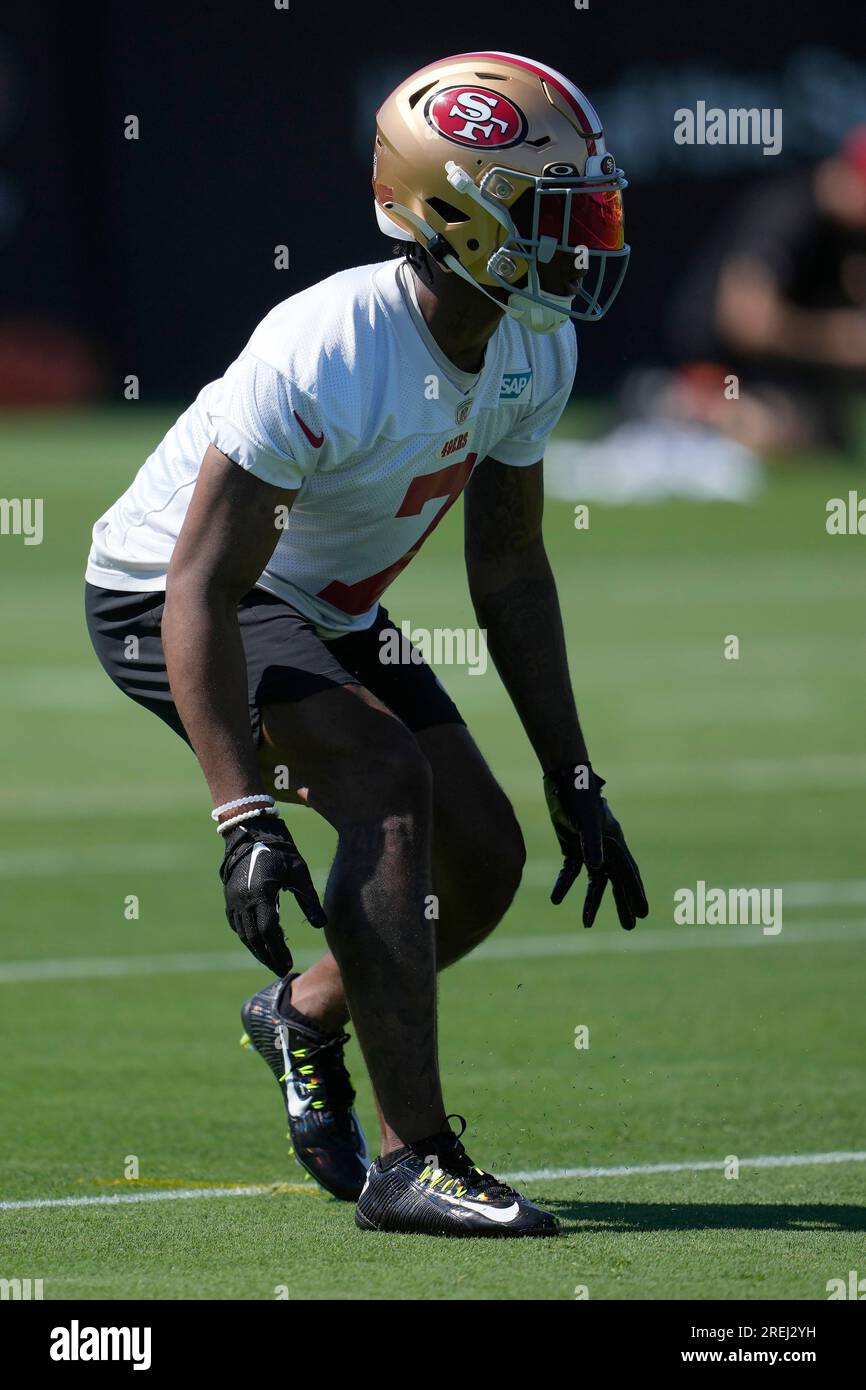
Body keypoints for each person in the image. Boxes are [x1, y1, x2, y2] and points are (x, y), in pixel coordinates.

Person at [84, 51, 647, 1238]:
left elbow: (505, 566)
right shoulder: (330, 340)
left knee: (483, 857)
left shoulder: (532, 340)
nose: (586, 240)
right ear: (457, 211)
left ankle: (301, 1012)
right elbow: (199, 581)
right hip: (167, 597)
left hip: (317, 604)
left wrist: (570, 769)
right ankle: (413, 1162)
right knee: (385, 787)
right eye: (558, 213)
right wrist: (241, 818)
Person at [668, 127, 866, 453]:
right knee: (766, 427)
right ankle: (670, 406)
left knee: (826, 435)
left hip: (796, 383)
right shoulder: (786, 211)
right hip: (727, 372)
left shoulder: (851, 236)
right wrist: (837, 341)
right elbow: (745, 324)